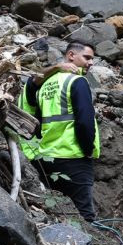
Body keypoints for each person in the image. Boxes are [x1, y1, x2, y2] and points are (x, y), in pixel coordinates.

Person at [35, 42, 101, 221]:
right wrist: (87, 150)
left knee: (52, 213)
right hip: (74, 157)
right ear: (71, 55)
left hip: (46, 157)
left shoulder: (46, 84)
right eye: (87, 57)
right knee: (85, 215)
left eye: (92, 59)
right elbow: (84, 122)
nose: (91, 63)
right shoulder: (77, 81)